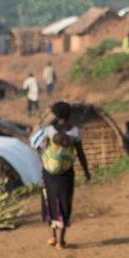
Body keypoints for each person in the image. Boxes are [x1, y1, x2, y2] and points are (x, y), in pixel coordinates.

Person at [39, 101, 90, 249]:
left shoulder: (49, 130)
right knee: (64, 202)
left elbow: (43, 149)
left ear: (55, 114)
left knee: (49, 200)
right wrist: (86, 171)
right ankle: (61, 242)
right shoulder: (75, 132)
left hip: (49, 173)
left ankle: (51, 237)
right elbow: (80, 153)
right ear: (69, 114)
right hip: (66, 174)